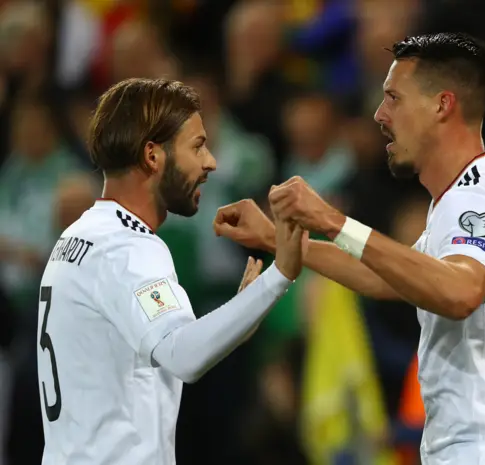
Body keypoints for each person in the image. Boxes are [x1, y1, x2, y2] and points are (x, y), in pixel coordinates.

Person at [214, 33, 485, 465]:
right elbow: (385, 276)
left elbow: (459, 293)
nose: (380, 115)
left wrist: (332, 220)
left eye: (394, 98)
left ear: (442, 104)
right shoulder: (456, 201)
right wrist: (277, 238)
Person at [36, 78, 306, 465]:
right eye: (197, 146)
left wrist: (243, 312)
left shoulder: (80, 236)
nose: (210, 161)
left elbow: (171, 348)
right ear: (152, 156)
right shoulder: (128, 246)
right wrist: (279, 276)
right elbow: (182, 355)